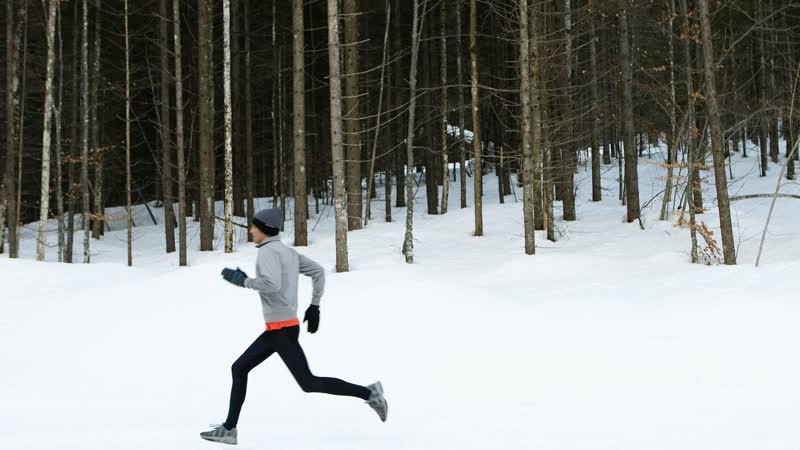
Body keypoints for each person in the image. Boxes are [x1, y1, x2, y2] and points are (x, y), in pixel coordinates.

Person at [200, 208, 388, 445]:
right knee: (239, 368)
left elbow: (271, 284)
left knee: (309, 383)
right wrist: (314, 306)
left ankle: (370, 394)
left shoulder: (268, 252)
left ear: (264, 230)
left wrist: (243, 281)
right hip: (281, 329)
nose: (251, 230)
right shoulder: (287, 252)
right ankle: (229, 429)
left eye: (254, 227)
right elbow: (318, 272)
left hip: (281, 331)